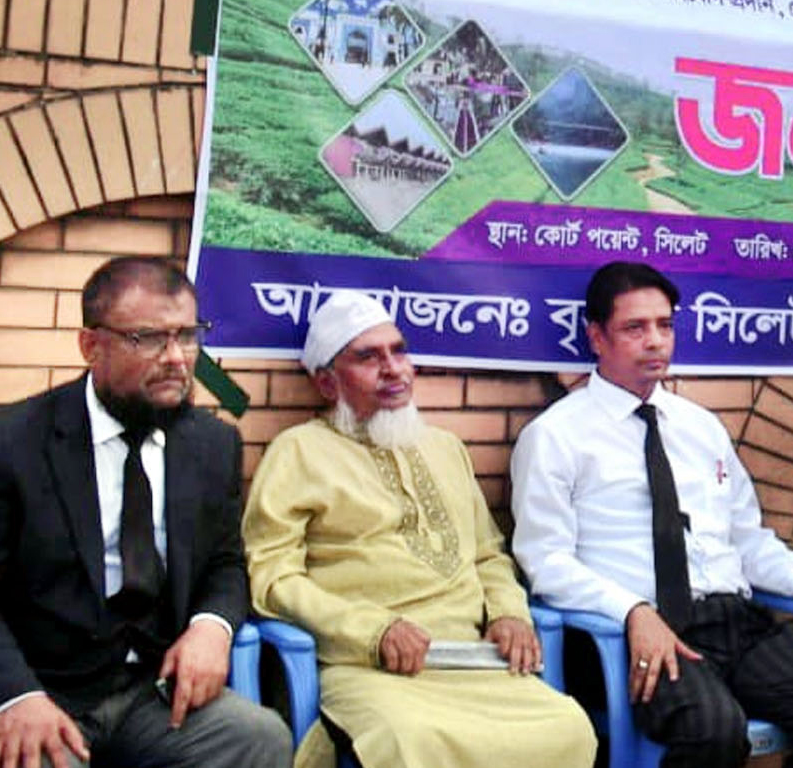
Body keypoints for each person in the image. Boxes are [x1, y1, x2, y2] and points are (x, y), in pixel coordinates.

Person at [512, 262, 793, 768]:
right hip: (635, 631)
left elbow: (749, 543)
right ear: (596, 337)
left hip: (735, 623)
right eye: (635, 328)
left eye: (665, 325)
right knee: (713, 731)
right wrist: (631, 610)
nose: (655, 341)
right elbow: (545, 562)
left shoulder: (700, 428)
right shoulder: (555, 436)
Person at [242, 290, 596, 768]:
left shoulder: (445, 447)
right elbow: (273, 578)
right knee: (408, 738)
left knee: (567, 727)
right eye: (368, 357)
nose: (393, 369)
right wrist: (373, 630)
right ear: (327, 383)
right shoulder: (297, 451)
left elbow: (488, 555)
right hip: (370, 666)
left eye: (399, 351)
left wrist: (509, 614)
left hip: (473, 661)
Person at [0, 256, 291, 768]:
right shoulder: (15, 441)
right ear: (91, 346)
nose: (177, 358)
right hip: (46, 690)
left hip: (153, 691)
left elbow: (225, 562)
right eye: (149, 339)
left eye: (188, 336)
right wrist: (16, 696)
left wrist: (211, 627)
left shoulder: (212, 444)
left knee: (257, 737)